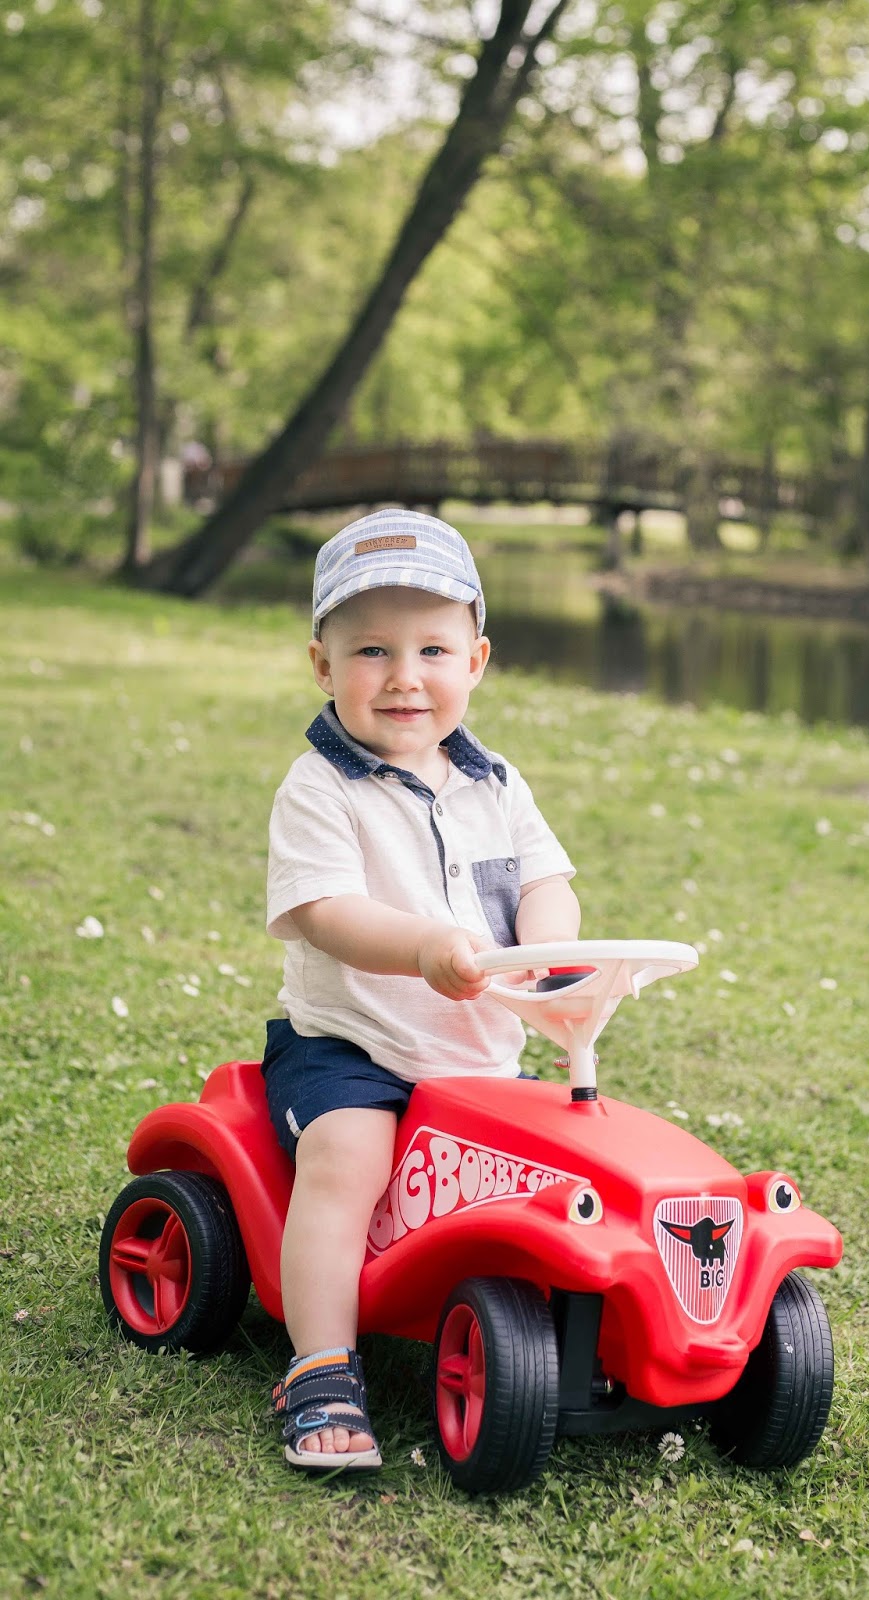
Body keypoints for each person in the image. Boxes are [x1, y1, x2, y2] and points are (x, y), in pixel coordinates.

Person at [263, 508, 580, 1472]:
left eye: (432, 649)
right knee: (347, 1158)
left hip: (477, 1061)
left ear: (475, 661)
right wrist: (426, 945)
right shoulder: (320, 787)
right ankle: (320, 1366)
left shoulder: (497, 784)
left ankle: (563, 1323)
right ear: (323, 665)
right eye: (372, 650)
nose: (405, 676)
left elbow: (546, 883)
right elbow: (325, 911)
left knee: (564, 1162)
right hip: (352, 1051)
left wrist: (549, 953)